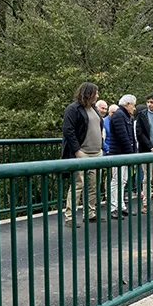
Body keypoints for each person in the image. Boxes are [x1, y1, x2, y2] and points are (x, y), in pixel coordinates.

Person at [62, 82, 104, 227]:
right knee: (77, 185)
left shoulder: (93, 109)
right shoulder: (73, 109)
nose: (98, 96)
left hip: (96, 153)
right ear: (89, 93)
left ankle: (90, 213)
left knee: (93, 185)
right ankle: (70, 217)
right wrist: (76, 151)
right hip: (82, 153)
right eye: (96, 93)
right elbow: (68, 130)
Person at [108, 94, 137, 218]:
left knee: (122, 180)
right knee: (117, 180)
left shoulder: (124, 115)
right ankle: (114, 207)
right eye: (133, 105)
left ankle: (120, 206)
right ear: (128, 104)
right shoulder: (120, 115)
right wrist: (131, 153)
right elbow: (123, 136)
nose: (134, 108)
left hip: (122, 153)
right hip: (118, 154)